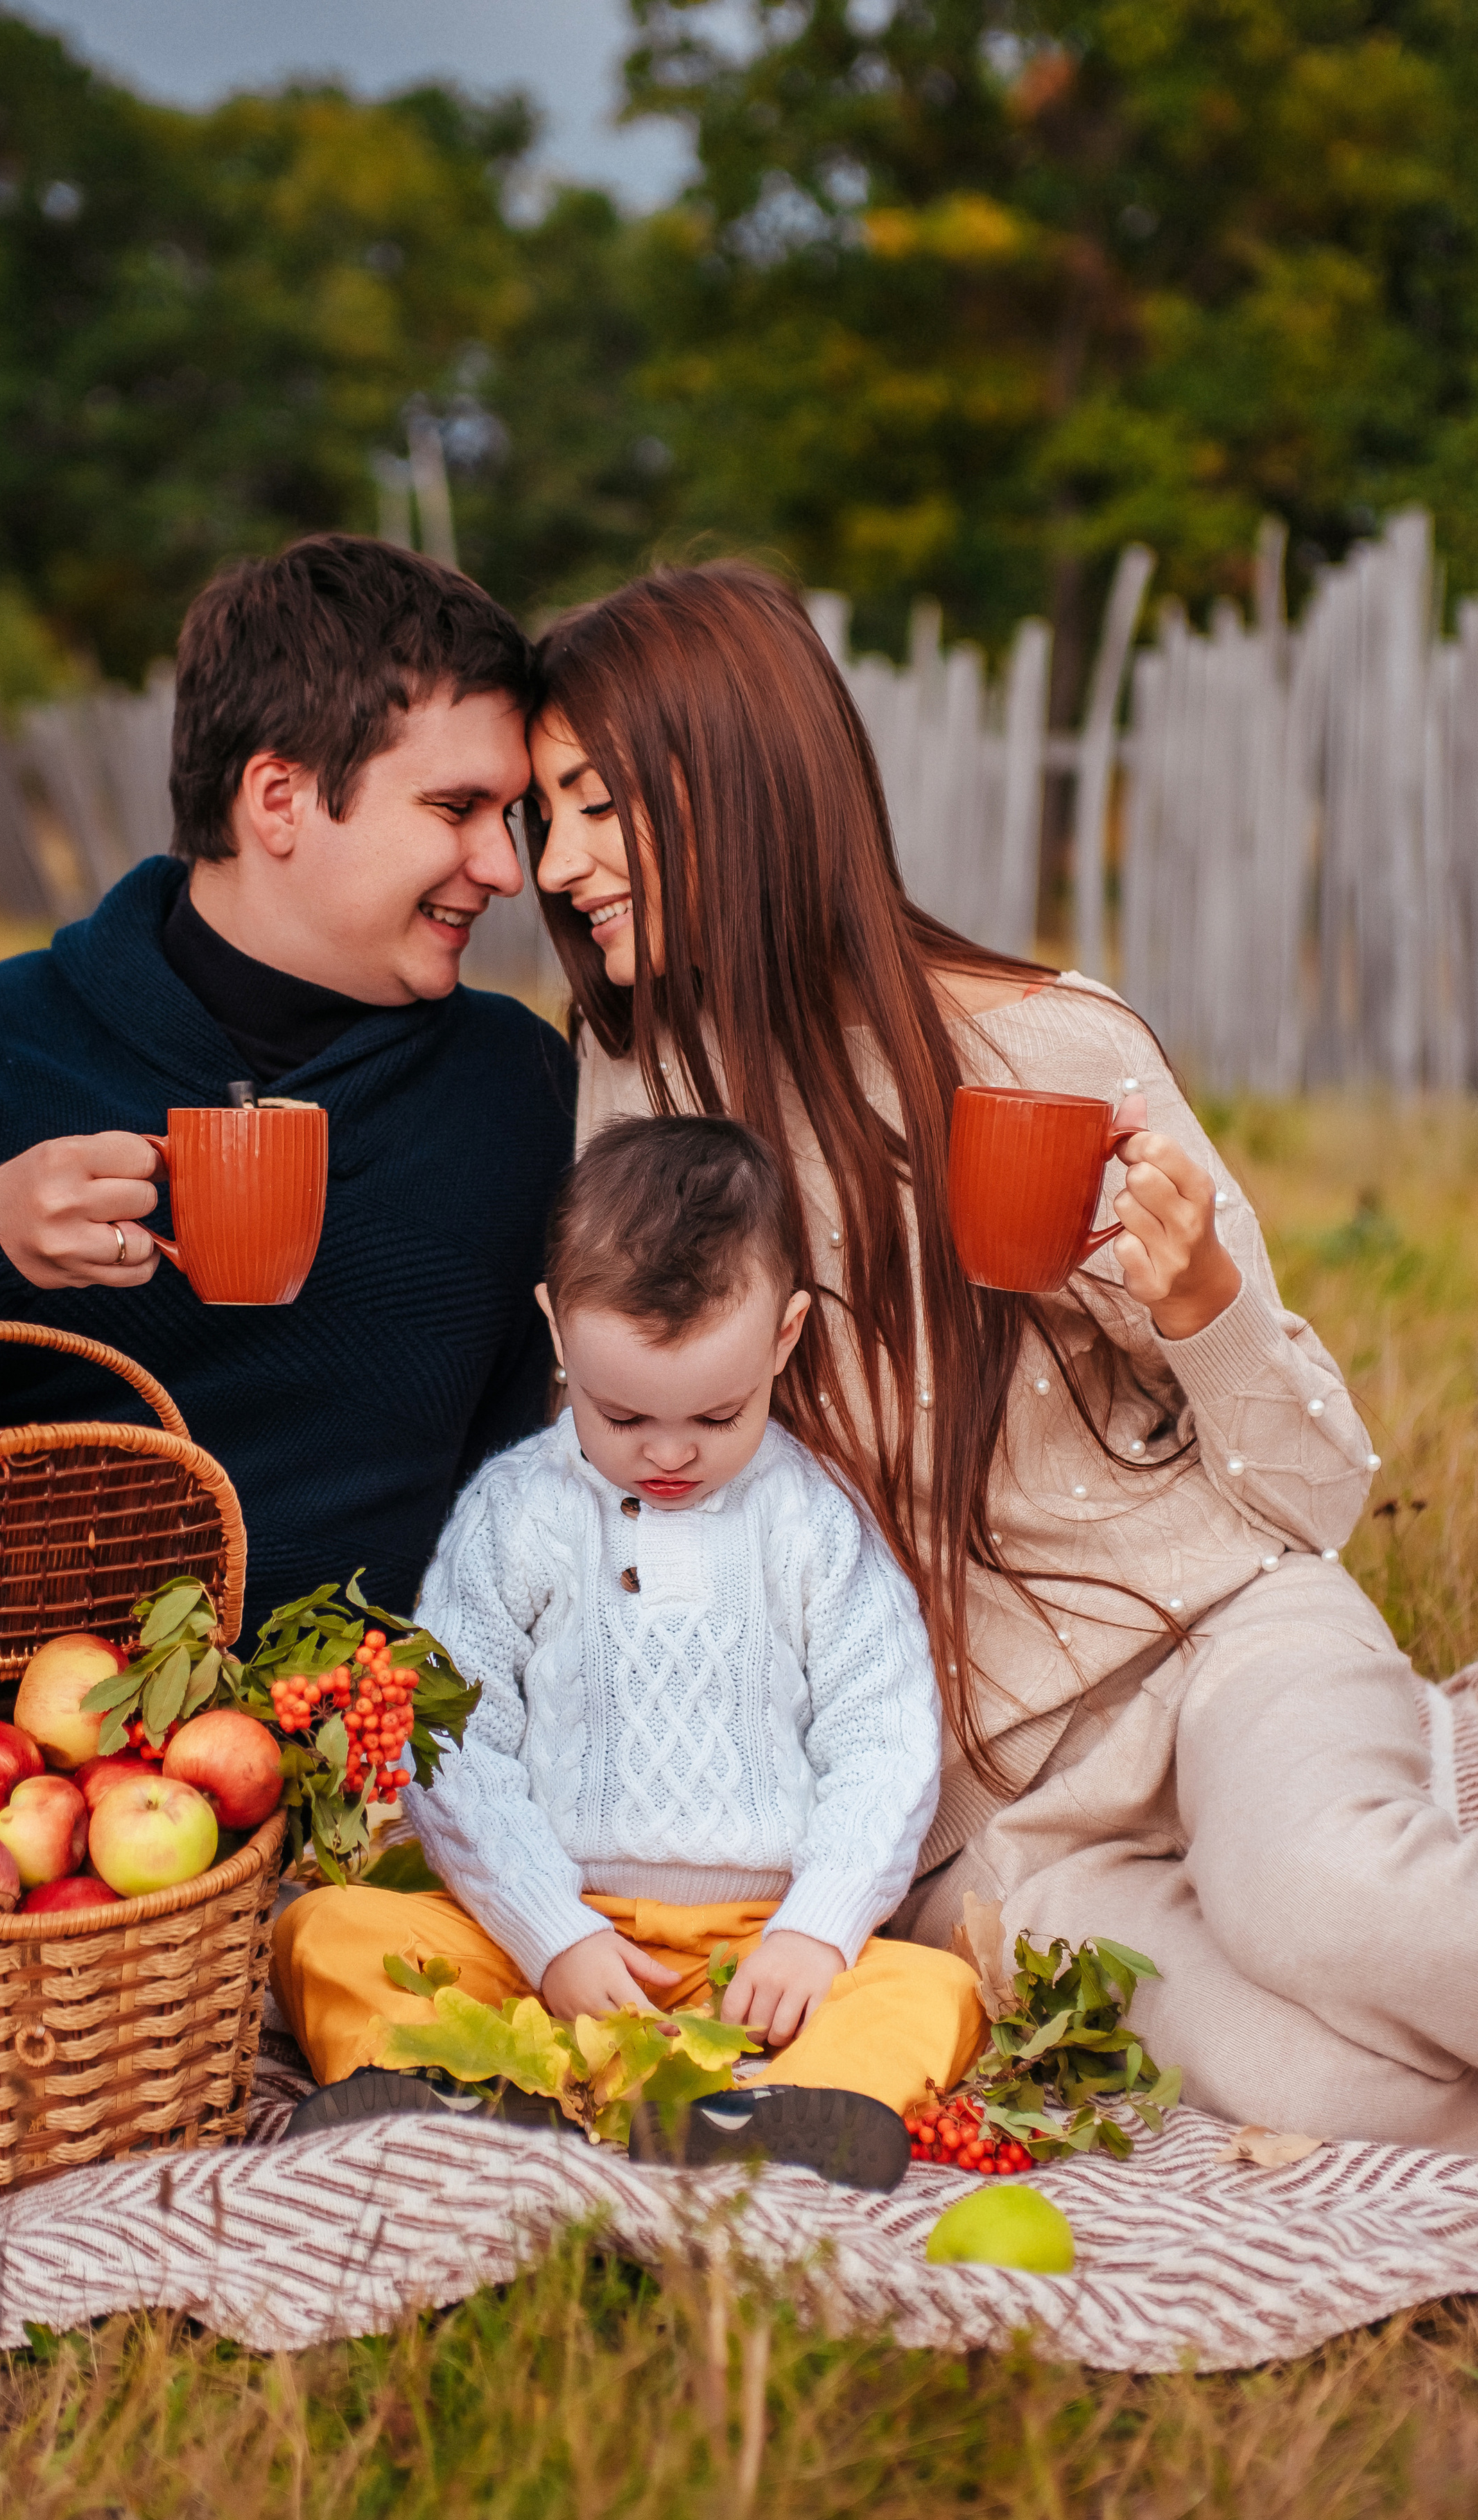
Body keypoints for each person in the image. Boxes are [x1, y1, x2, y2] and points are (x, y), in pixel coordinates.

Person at [518, 557, 1478, 2153]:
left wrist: (1201, 1308)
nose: (558, 863)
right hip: (989, 1825)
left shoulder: (1047, 1048)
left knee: (1317, 1894)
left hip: (1214, 1642)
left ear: (742, 779)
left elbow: (1311, 1495)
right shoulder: (632, 1096)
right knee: (1355, 2091)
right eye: (544, 816)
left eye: (597, 806)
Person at [0, 534, 576, 2048]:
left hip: (313, 1789)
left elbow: (522, 1474)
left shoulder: (511, 1092)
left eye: (511, 816)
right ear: (281, 798)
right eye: (457, 810)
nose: (506, 868)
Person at [275, 1115, 986, 2185]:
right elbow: (453, 1747)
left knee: (935, 1992)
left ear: (785, 1339)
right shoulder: (517, 1512)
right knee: (324, 1931)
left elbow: (884, 1738)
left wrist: (819, 1929)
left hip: (755, 1953)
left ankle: (765, 2117)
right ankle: (470, 2097)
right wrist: (547, 1932)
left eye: (715, 1414)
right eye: (621, 1415)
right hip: (546, 1933)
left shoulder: (813, 1521)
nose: (665, 1452)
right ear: (557, 1332)